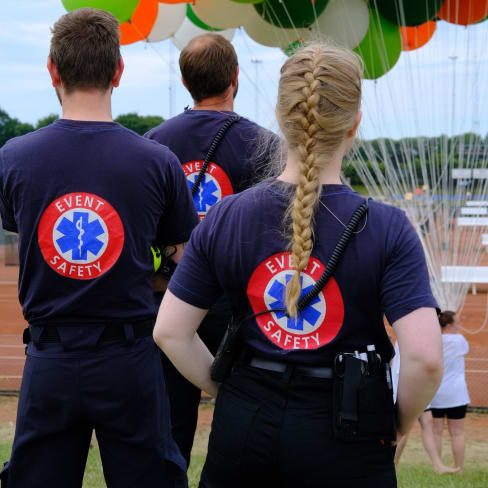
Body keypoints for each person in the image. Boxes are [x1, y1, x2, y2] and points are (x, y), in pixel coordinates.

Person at [153, 42, 443, 487]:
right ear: (355, 123)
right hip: (349, 432)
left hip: (244, 429)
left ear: (281, 117)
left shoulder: (227, 215)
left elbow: (170, 331)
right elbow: (424, 358)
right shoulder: (389, 228)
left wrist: (227, 392)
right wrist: (396, 422)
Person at [0, 8, 197, 487]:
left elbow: (23, 229)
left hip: (49, 360)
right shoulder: (158, 162)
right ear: (118, 72)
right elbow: (180, 255)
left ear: (52, 71)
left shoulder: (14, 158)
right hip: (130, 360)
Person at [145, 33, 277, 467]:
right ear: (235, 78)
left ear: (185, 82)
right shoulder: (266, 146)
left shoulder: (152, 143)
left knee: (169, 428)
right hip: (240, 305)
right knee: (247, 414)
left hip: (171, 297)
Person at [391, 342, 459, 474]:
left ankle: (437, 465)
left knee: (427, 422)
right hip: (406, 382)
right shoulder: (410, 331)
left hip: (416, 381)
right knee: (403, 427)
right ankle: (392, 462)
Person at [430, 311, 471, 474]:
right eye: (457, 323)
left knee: (436, 432)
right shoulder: (459, 340)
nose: (459, 326)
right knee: (458, 433)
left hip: (436, 393)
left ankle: (437, 466)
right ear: (449, 326)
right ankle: (459, 468)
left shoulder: (434, 340)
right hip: (457, 394)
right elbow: (464, 350)